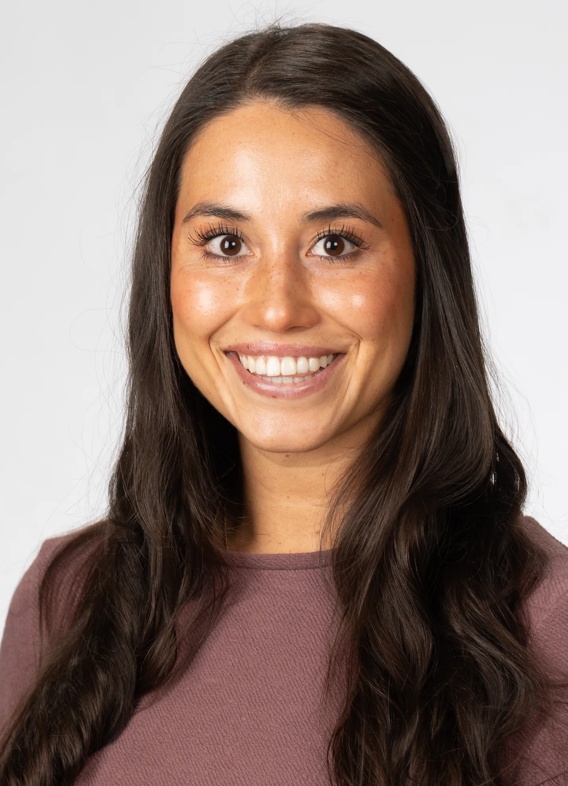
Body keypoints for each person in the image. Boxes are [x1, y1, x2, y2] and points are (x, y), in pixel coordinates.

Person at [1, 21, 567, 786]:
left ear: (425, 270)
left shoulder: (545, 623)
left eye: (334, 243)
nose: (276, 309)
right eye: (226, 244)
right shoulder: (67, 593)